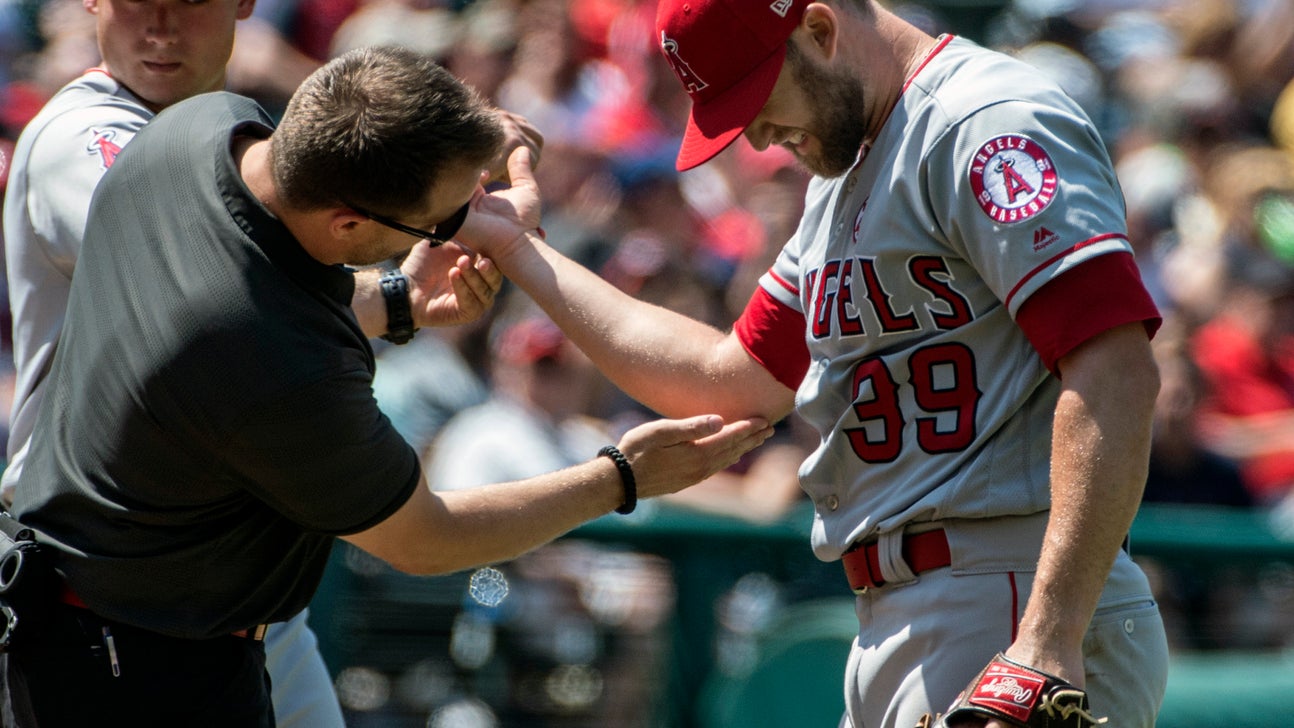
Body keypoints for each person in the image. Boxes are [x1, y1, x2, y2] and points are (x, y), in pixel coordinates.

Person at [1, 45, 773, 727]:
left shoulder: (198, 131)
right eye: (436, 225)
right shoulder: (278, 367)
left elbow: (262, 275)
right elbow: (424, 539)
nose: (446, 237)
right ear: (346, 225)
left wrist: (399, 296)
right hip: (131, 672)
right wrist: (622, 478)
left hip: (85, 616)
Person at [457, 0, 1171, 725]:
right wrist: (521, 250)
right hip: (907, 610)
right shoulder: (846, 176)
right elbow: (731, 382)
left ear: (821, 30)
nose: (759, 135)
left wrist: (1047, 639)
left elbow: (1116, 373)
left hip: (1012, 595)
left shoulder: (982, 120)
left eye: (760, 95)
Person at [0, 1, 350, 725]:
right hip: (103, 591)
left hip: (248, 586)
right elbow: (202, 280)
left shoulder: (240, 129)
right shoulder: (85, 131)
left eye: (189, 0)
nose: (160, 25)